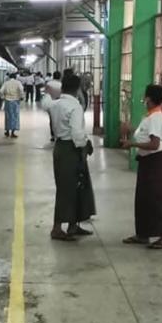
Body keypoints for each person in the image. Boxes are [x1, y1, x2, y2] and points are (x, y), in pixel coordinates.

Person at [121, 84, 162, 249]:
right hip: (147, 162)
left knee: (156, 199)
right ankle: (143, 234)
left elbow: (154, 144)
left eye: (145, 96)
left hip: (155, 162)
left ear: (149, 98)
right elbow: (145, 133)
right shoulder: (150, 116)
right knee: (143, 200)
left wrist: (132, 143)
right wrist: (132, 129)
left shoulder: (156, 117)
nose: (144, 99)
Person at [47, 73, 96, 241]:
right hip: (71, 150)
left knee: (70, 187)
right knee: (69, 188)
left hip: (60, 147)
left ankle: (73, 225)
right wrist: (85, 145)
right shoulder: (74, 106)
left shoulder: (56, 105)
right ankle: (57, 228)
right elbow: (77, 134)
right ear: (78, 88)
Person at [0, 72, 24, 137]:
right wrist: (21, 97)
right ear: (15, 77)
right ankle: (13, 133)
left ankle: (7, 131)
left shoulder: (6, 83)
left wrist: (3, 97)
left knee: (8, 116)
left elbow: (1, 91)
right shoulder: (18, 83)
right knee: (15, 116)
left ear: (9, 77)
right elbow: (21, 90)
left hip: (7, 101)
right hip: (16, 101)